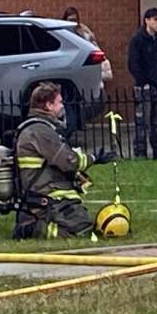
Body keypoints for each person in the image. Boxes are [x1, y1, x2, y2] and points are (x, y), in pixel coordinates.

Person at [13, 82, 114, 239]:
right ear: (48, 105)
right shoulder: (40, 131)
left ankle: (34, 223)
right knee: (83, 231)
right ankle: (32, 228)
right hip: (47, 196)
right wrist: (93, 158)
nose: (62, 106)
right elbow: (69, 162)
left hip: (47, 193)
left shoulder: (42, 128)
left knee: (89, 225)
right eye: (59, 102)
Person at [127, 7, 157, 159]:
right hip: (145, 86)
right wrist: (143, 82)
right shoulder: (138, 40)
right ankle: (140, 152)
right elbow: (134, 63)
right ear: (147, 21)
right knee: (143, 122)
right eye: (155, 19)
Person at [62, 6, 112, 87]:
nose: (73, 22)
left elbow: (94, 46)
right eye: (70, 20)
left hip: (86, 64)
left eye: (75, 20)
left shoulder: (84, 31)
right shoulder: (62, 32)